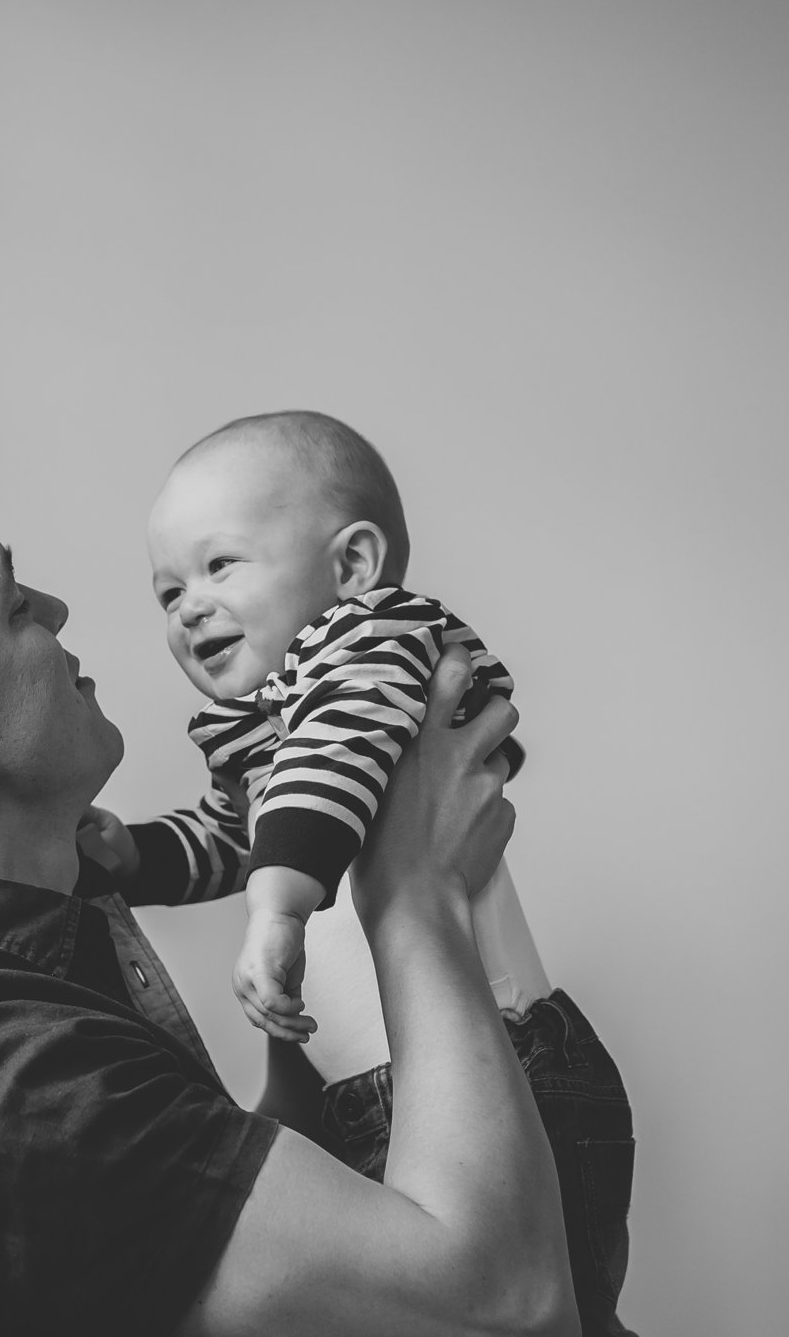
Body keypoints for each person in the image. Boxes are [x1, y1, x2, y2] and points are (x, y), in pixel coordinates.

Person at [0, 435, 582, 1336]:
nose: (54, 609)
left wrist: (313, 1011)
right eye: (12, 606)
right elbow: (504, 1306)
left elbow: (211, 1230)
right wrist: (415, 890)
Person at [78, 411, 636, 1334]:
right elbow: (240, 834)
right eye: (167, 589)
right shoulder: (280, 728)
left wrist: (279, 912)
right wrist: (134, 856)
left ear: (351, 565)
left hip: (507, 1073)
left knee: (544, 1312)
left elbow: (326, 773)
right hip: (378, 1087)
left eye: (219, 566)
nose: (186, 606)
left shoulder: (373, 640)